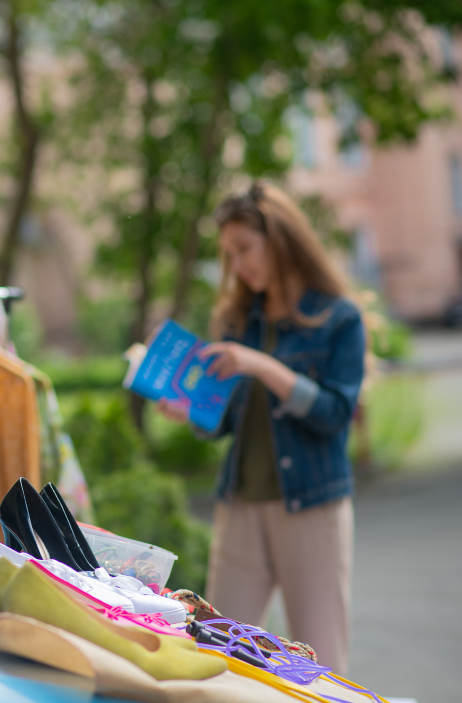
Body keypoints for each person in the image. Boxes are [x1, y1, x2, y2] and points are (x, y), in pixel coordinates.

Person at [156, 182, 367, 674]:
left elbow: (336, 413)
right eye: (230, 254)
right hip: (241, 510)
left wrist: (260, 365)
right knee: (219, 655)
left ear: (280, 239)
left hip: (312, 508)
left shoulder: (338, 319)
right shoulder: (237, 320)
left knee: (320, 667)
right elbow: (227, 421)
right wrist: (190, 413)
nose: (239, 264)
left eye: (245, 248)